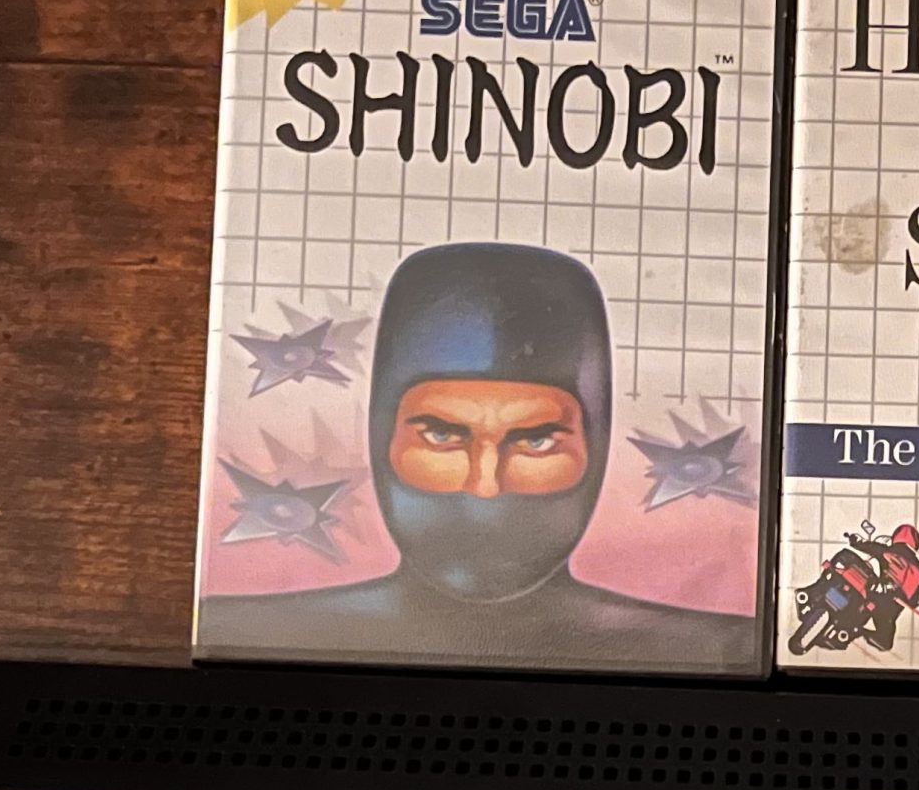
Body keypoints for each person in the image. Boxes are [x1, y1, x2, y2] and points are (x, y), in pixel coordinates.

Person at [200, 242, 756, 671]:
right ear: (381, 436)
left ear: (597, 444)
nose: (485, 485)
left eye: (535, 442)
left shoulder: (718, 651)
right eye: (442, 436)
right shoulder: (241, 641)